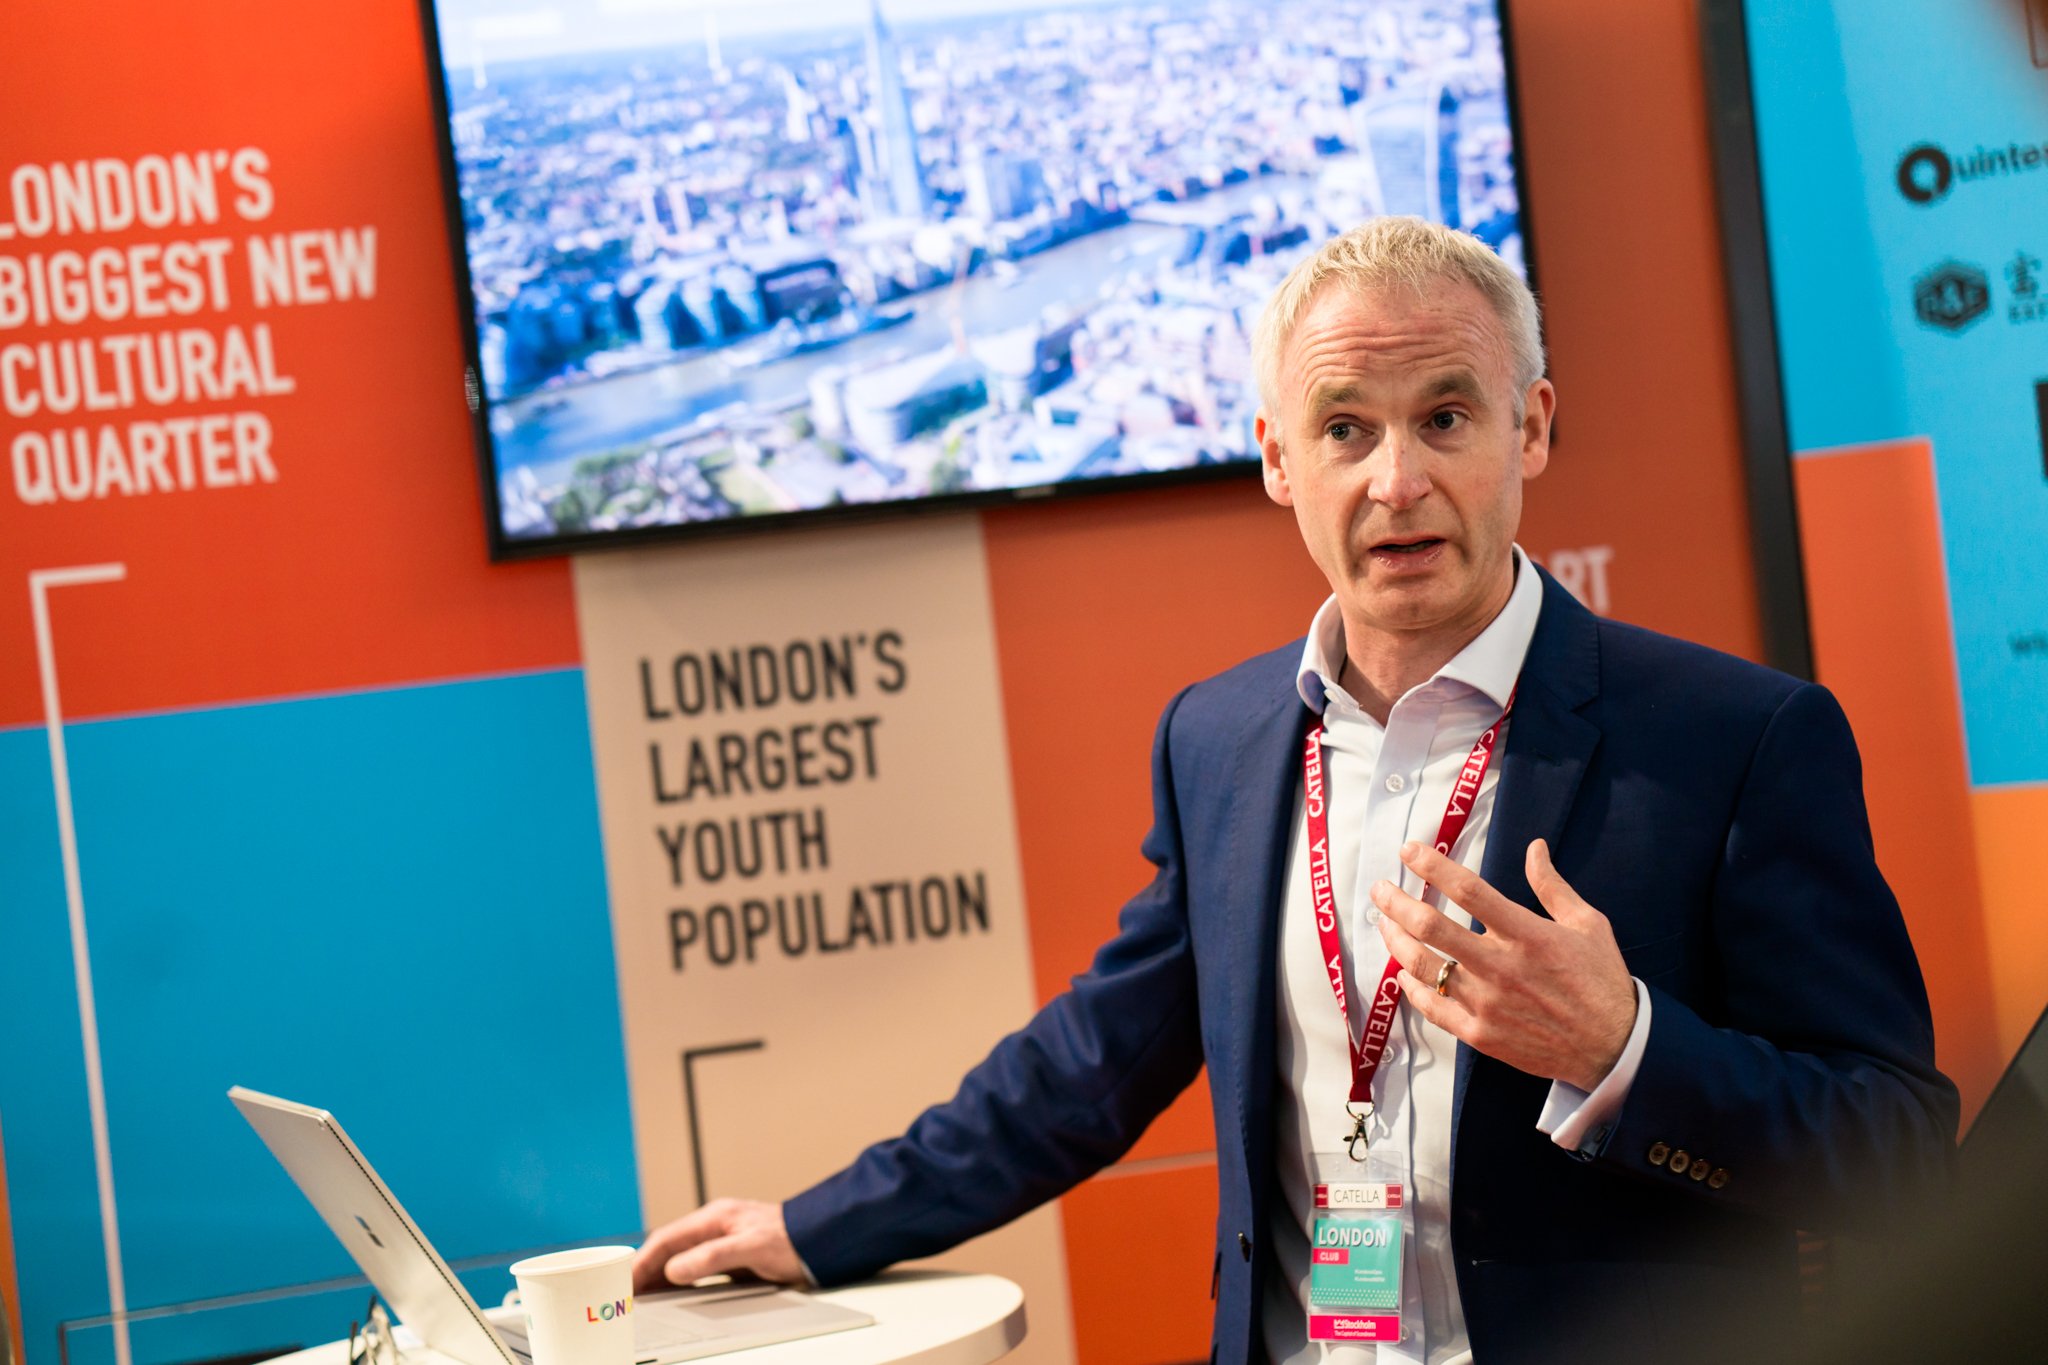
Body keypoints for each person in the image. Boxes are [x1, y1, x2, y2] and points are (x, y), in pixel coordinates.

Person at [629, 218, 1958, 1364]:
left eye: (1446, 415)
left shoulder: (1738, 737)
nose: (1397, 481)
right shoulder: (1218, 737)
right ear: (1276, 457)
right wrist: (818, 1225)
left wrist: (1622, 1048)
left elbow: (1903, 1156)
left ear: (1531, 427)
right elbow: (1092, 1064)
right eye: (1344, 428)